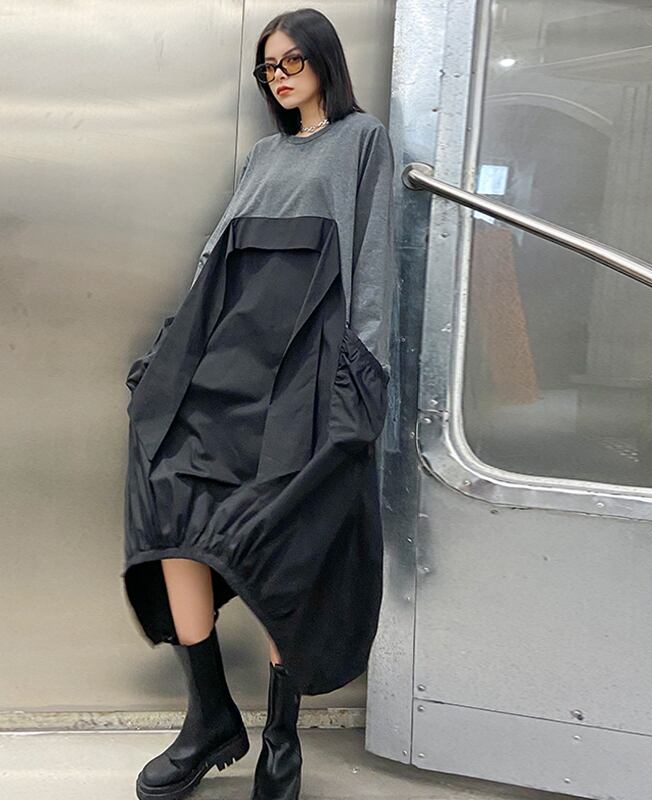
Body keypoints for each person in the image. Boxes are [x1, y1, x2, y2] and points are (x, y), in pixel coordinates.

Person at [122, 8, 395, 800]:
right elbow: (217, 252)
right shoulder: (265, 154)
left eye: (291, 61)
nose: (279, 77)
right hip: (231, 355)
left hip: (309, 359)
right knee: (172, 501)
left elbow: (374, 260)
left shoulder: (363, 140)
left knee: (285, 534)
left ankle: (281, 733)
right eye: (268, 67)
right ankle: (208, 715)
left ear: (324, 60)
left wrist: (363, 374)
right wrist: (170, 351)